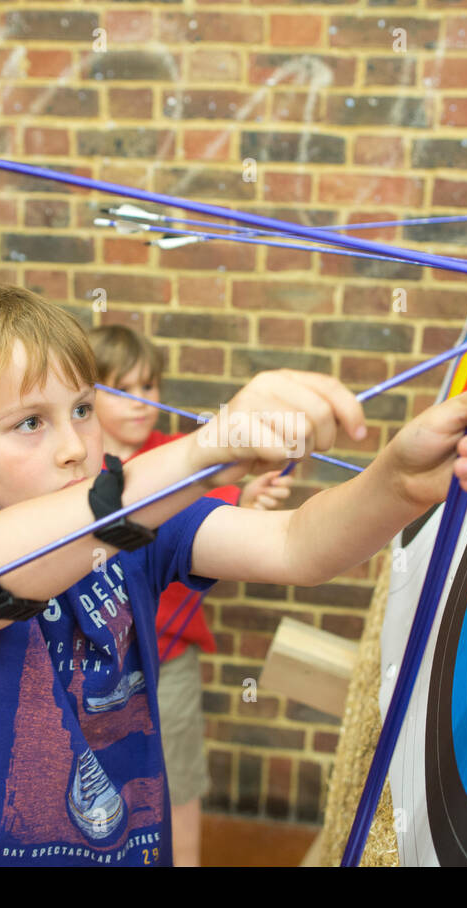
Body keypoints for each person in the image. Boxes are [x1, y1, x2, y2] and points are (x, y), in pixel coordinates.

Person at [0, 282, 467, 866]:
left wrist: (398, 483)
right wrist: (208, 449)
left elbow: (296, 545)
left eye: (83, 410)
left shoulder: (140, 521)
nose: (73, 447)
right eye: (30, 423)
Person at [88, 324, 293, 867]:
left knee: (175, 782)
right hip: (95, 663)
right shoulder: (74, 465)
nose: (139, 400)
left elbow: (217, 506)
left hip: (168, 657)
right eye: (120, 387)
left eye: (150, 385)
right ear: (86, 397)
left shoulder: (181, 457)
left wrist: (248, 496)